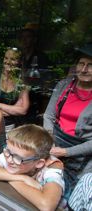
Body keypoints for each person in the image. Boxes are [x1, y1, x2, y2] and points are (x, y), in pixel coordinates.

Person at [0, 124, 66, 211]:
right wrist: (22, 178)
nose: (10, 160)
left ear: (39, 163)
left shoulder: (52, 168)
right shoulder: (12, 154)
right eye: (8, 151)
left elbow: (46, 205)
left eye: (18, 158)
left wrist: (9, 179)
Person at [43, 43, 92, 199]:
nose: (84, 69)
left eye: (91, 66)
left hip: (82, 158)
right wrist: (50, 142)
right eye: (81, 64)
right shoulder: (64, 85)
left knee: (70, 197)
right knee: (47, 187)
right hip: (54, 146)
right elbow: (48, 116)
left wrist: (65, 152)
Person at [0, 47, 30, 132]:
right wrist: (12, 109)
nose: (8, 62)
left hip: (11, 128)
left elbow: (23, 110)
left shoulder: (22, 84)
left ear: (20, 62)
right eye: (6, 58)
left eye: (13, 59)